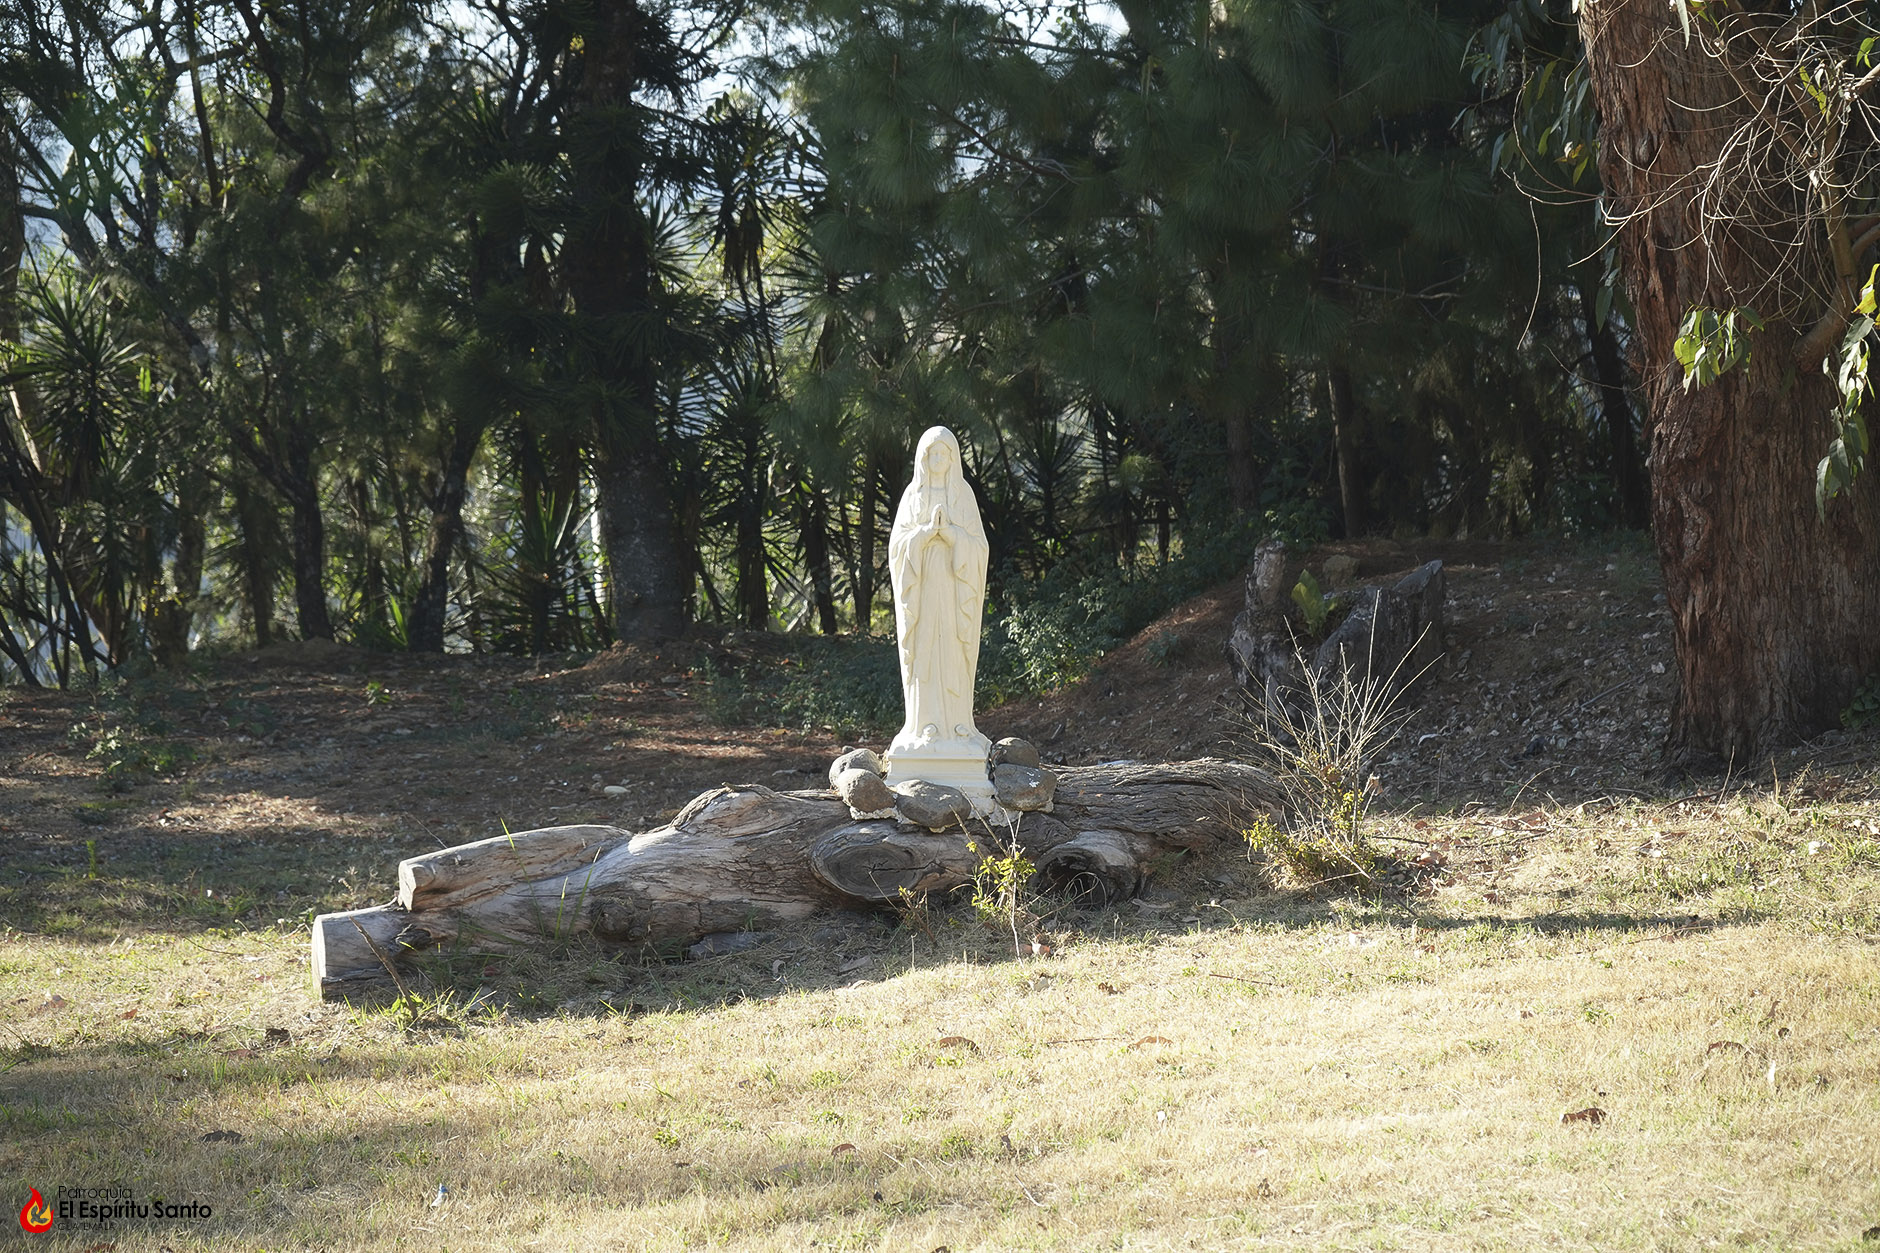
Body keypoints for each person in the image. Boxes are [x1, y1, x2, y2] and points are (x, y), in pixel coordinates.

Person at [887, 426, 990, 759]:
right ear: (923, 458)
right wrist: (925, 534)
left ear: (953, 458)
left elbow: (980, 547)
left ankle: (959, 724)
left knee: (954, 652)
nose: (938, 460)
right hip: (923, 592)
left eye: (945, 454)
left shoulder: (963, 496)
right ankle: (925, 722)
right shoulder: (912, 497)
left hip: (954, 591)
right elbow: (896, 547)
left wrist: (952, 536)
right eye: (932, 454)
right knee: (926, 651)